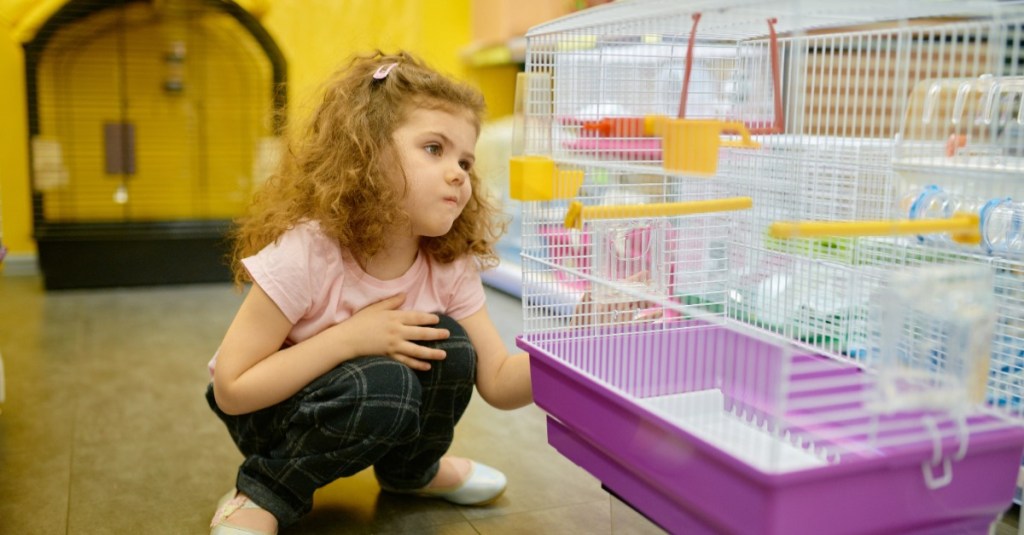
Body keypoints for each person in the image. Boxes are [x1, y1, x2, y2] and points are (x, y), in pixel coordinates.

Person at [206, 50, 532, 535]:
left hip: (375, 395)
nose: (460, 173)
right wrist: (352, 338)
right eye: (434, 149)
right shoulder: (308, 250)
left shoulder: (448, 261)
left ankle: (411, 472)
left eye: (466, 159)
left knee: (453, 347)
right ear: (366, 151)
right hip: (271, 414)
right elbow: (233, 390)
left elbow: (501, 383)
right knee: (387, 383)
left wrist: (579, 344)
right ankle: (264, 488)